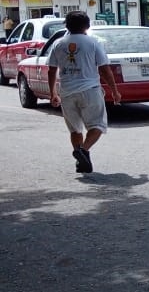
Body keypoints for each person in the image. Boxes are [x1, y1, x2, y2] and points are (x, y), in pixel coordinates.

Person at [47, 11, 122, 174]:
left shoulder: (58, 44)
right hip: (90, 91)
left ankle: (82, 162)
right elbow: (104, 69)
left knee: (75, 130)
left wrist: (53, 93)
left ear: (66, 26)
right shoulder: (93, 43)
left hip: (66, 92)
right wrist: (115, 91)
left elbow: (52, 70)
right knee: (98, 125)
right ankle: (84, 150)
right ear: (87, 26)